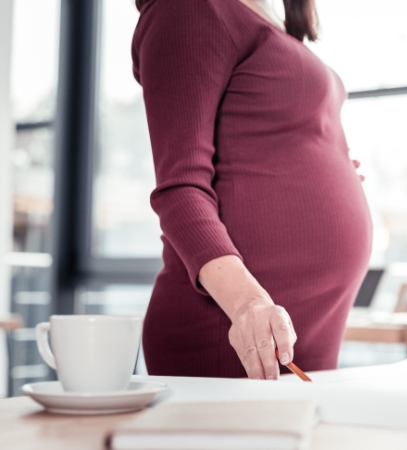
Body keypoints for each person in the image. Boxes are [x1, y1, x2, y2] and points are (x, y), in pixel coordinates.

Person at [132, 0, 372, 380]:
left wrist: (328, 171)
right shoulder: (189, 8)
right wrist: (248, 305)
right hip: (231, 331)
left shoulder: (266, 18)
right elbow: (180, 188)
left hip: (299, 327)